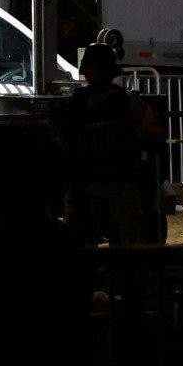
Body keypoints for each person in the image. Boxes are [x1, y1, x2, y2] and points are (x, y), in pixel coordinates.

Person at [53, 42, 166, 247]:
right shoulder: (79, 104)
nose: (91, 73)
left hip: (114, 184)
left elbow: (155, 139)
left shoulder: (127, 105)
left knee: (120, 242)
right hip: (93, 184)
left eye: (94, 68)